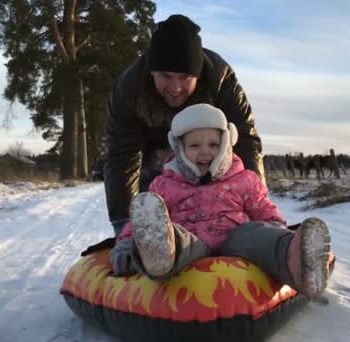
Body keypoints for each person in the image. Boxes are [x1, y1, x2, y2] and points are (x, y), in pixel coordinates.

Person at [109, 104, 333, 298]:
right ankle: (157, 255)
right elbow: (145, 218)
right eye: (195, 146)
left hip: (236, 240)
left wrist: (275, 226)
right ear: (180, 149)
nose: (205, 152)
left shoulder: (243, 179)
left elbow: (263, 207)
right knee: (174, 236)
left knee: (256, 233)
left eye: (213, 144)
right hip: (192, 243)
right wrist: (128, 242)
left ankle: (295, 258)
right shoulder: (165, 184)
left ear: (226, 144)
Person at [104, 14, 263, 237]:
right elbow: (121, 155)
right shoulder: (129, 88)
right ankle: (161, 245)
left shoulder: (220, 79)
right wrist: (123, 222)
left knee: (220, 195)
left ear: (198, 76)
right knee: (157, 197)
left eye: (185, 77)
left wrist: (256, 203)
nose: (175, 87)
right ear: (152, 72)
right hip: (153, 148)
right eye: (165, 76)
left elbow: (246, 138)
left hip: (206, 147)